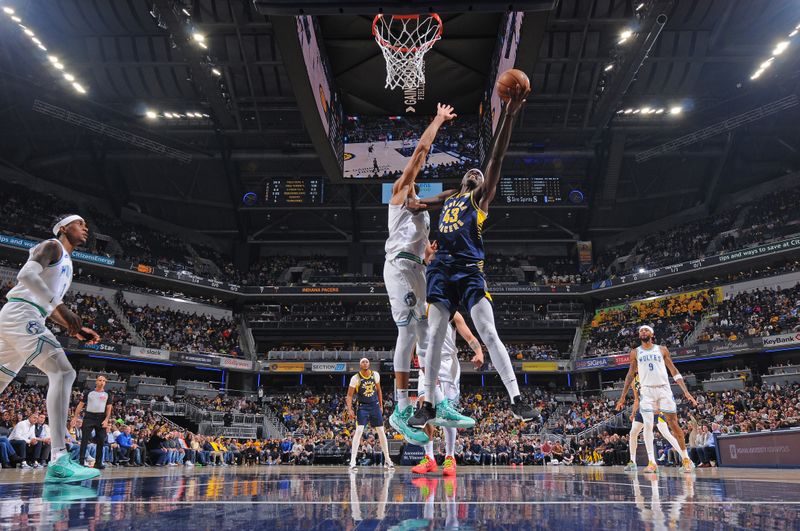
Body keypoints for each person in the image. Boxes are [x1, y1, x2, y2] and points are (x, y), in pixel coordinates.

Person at [408, 85, 538, 429]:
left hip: (468, 271)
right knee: (434, 335)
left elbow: (495, 157)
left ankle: (516, 399)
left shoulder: (479, 200)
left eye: (479, 175)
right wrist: (414, 201)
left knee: (488, 332)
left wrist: (509, 114)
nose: (476, 173)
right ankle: (428, 404)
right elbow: (422, 201)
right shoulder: (450, 196)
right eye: (471, 172)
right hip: (440, 270)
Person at [0, 214, 100, 482]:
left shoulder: (68, 263)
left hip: (21, 316)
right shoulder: (52, 246)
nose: (85, 228)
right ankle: (59, 459)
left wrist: (74, 327)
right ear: (64, 228)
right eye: (81, 224)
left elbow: (48, 304)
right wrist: (62, 307)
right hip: (23, 315)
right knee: (64, 373)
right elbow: (26, 275)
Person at [386, 104, 457, 446]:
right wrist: (438, 120)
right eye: (413, 186)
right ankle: (400, 408)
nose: (415, 190)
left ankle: (432, 400)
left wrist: (466, 192)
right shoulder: (400, 194)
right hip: (399, 266)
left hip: (415, 268)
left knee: (424, 335)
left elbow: (442, 196)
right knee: (409, 332)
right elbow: (420, 152)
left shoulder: (420, 210)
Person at [616, 325, 697, 473]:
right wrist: (622, 397)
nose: (643, 332)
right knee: (646, 426)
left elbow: (674, 370)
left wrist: (686, 391)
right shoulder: (635, 353)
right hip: (647, 393)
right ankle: (652, 462)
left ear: (652, 334)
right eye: (640, 330)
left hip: (663, 389)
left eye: (646, 330)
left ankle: (686, 459)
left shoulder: (662, 349)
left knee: (673, 425)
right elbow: (629, 375)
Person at [412, 311, 483, 476]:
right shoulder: (418, 310)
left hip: (447, 363)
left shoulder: (451, 313)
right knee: (424, 407)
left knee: (447, 412)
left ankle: (450, 457)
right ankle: (429, 457)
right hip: (426, 362)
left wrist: (478, 352)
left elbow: (470, 336)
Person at [623, 373, 686, 472]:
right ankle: (632, 462)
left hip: (655, 408)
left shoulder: (649, 374)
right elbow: (637, 399)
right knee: (633, 433)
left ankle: (685, 459)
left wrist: (658, 408)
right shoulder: (634, 381)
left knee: (666, 434)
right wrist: (633, 412)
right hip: (642, 407)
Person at [345, 358, 393, 471]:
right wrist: (350, 409)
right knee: (359, 431)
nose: (365, 363)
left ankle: (387, 459)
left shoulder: (375, 375)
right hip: (362, 406)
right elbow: (350, 395)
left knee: (381, 431)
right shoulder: (355, 378)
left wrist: (381, 406)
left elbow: (379, 390)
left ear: (369, 364)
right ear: (360, 364)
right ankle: (353, 461)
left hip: (375, 405)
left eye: (367, 361)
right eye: (363, 362)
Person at [75, 375, 113, 470]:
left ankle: (98, 463)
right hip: (89, 416)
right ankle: (81, 461)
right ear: (96, 382)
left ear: (105, 383)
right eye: (100, 380)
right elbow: (81, 405)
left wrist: (106, 420)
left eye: (104, 380)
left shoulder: (107, 394)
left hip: (101, 417)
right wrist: (75, 416)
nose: (102, 382)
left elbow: (109, 408)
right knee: (84, 439)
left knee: (101, 440)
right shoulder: (89, 393)